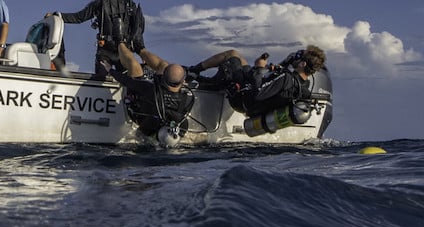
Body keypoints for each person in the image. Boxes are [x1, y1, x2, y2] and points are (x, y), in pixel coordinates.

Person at [47, 0, 145, 80]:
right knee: (125, 82)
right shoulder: (124, 5)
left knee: (113, 81)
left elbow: (79, 17)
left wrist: (57, 15)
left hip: (112, 50)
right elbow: (138, 30)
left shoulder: (126, 5)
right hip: (113, 51)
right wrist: (58, 15)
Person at [188, 45, 327, 116]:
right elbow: (274, 88)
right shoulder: (303, 86)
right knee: (240, 60)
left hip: (243, 99)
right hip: (255, 105)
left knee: (232, 55)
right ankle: (204, 78)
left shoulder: (286, 78)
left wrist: (259, 68)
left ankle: (194, 73)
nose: (295, 59)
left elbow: (258, 92)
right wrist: (274, 70)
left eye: (299, 58)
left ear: (302, 64)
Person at [101, 41, 194, 146]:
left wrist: (110, 70)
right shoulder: (188, 98)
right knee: (163, 65)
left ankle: (120, 43)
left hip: (140, 117)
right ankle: (139, 48)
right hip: (161, 126)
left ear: (164, 76)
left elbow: (127, 82)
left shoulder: (149, 89)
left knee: (134, 65)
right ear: (183, 82)